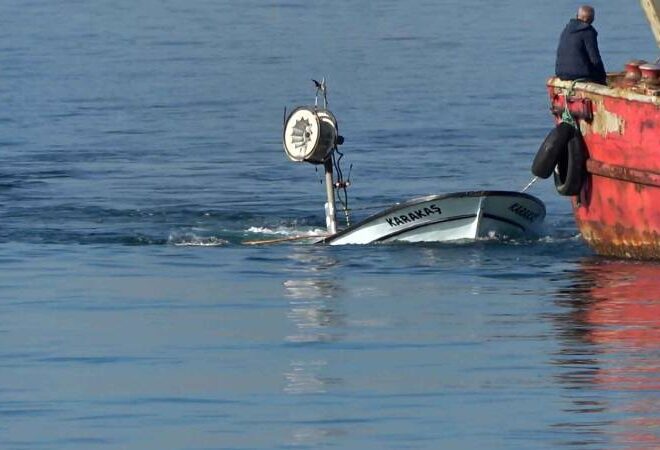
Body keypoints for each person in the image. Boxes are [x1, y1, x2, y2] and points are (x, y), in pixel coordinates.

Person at [555, 5, 607, 84]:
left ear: (577, 16)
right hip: (579, 75)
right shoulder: (588, 32)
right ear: (591, 19)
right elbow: (595, 59)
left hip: (561, 73)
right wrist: (603, 77)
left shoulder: (566, 29)